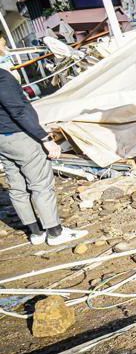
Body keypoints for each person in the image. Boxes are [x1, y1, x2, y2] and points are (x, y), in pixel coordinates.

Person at [0, 63, 87, 246]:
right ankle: (55, 232)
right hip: (20, 136)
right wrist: (45, 138)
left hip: (2, 140)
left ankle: (35, 232)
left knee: (16, 186)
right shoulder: (2, 77)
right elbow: (19, 110)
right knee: (40, 185)